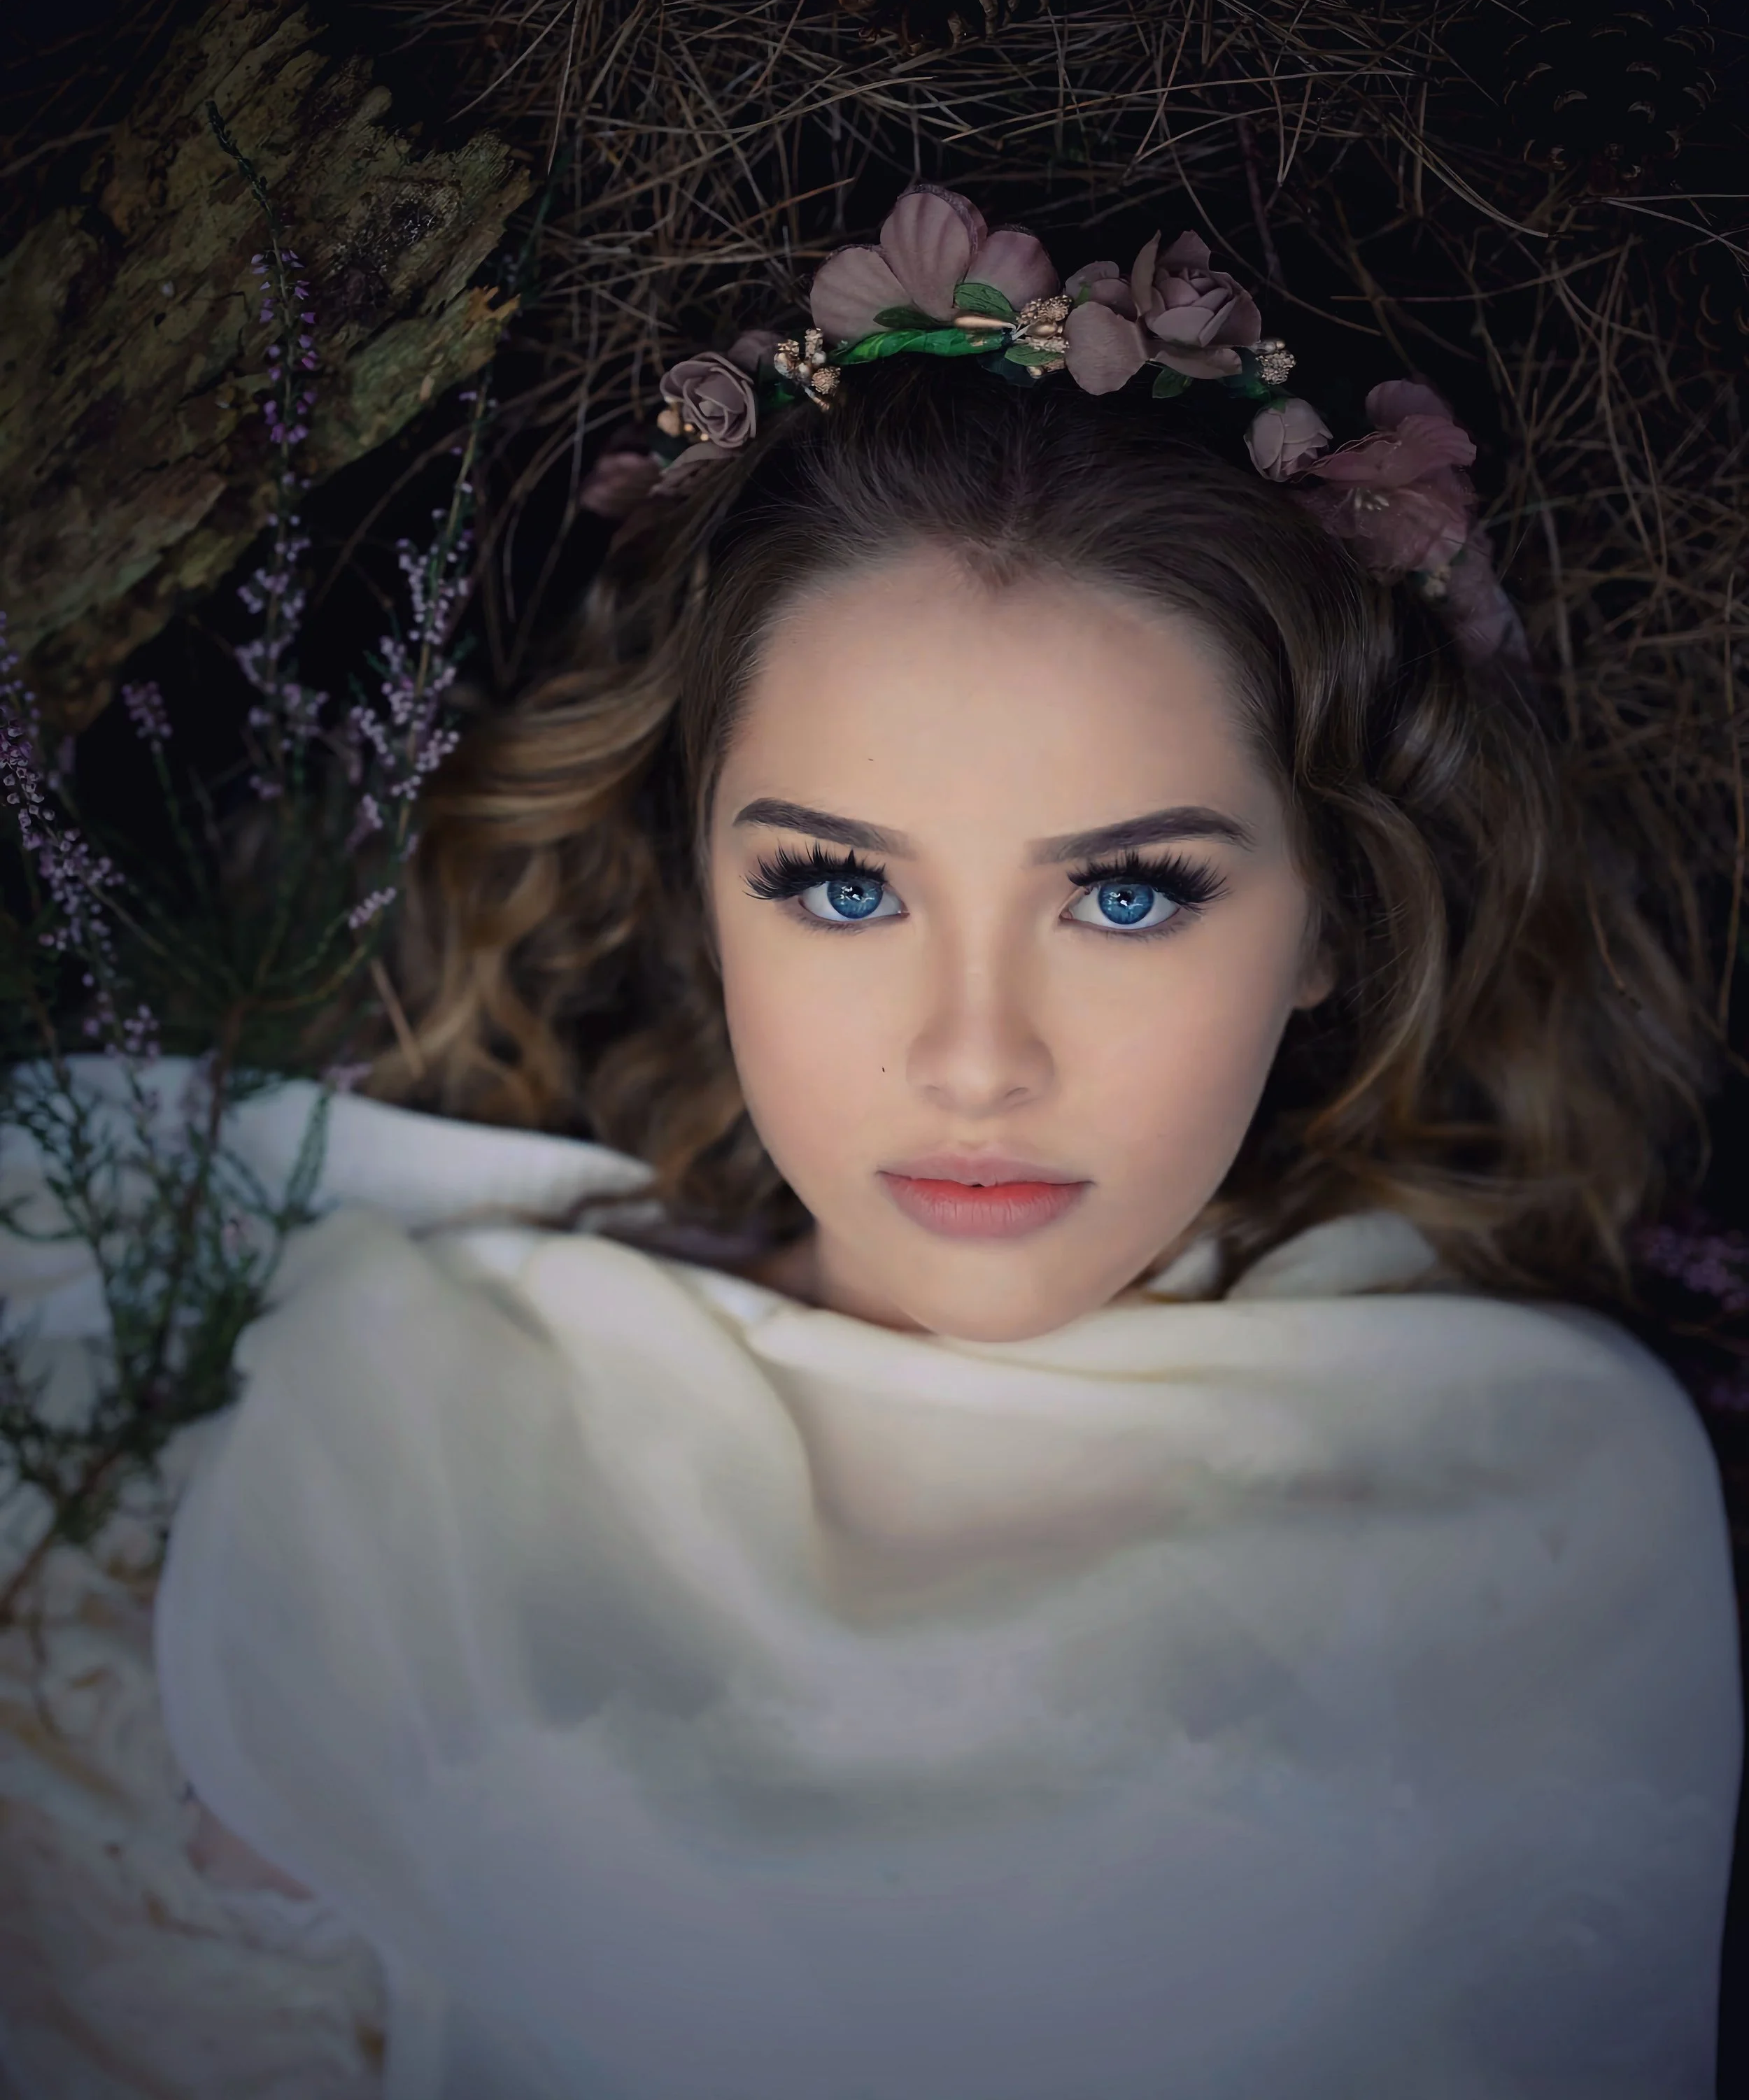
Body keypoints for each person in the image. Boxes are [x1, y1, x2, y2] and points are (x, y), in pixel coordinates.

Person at [141, 185, 1739, 2097]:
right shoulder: (419, 1424)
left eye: (1129, 896)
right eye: (840, 886)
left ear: (1328, 917)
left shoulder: (1528, 1498)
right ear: (698, 873)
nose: (978, 1063)